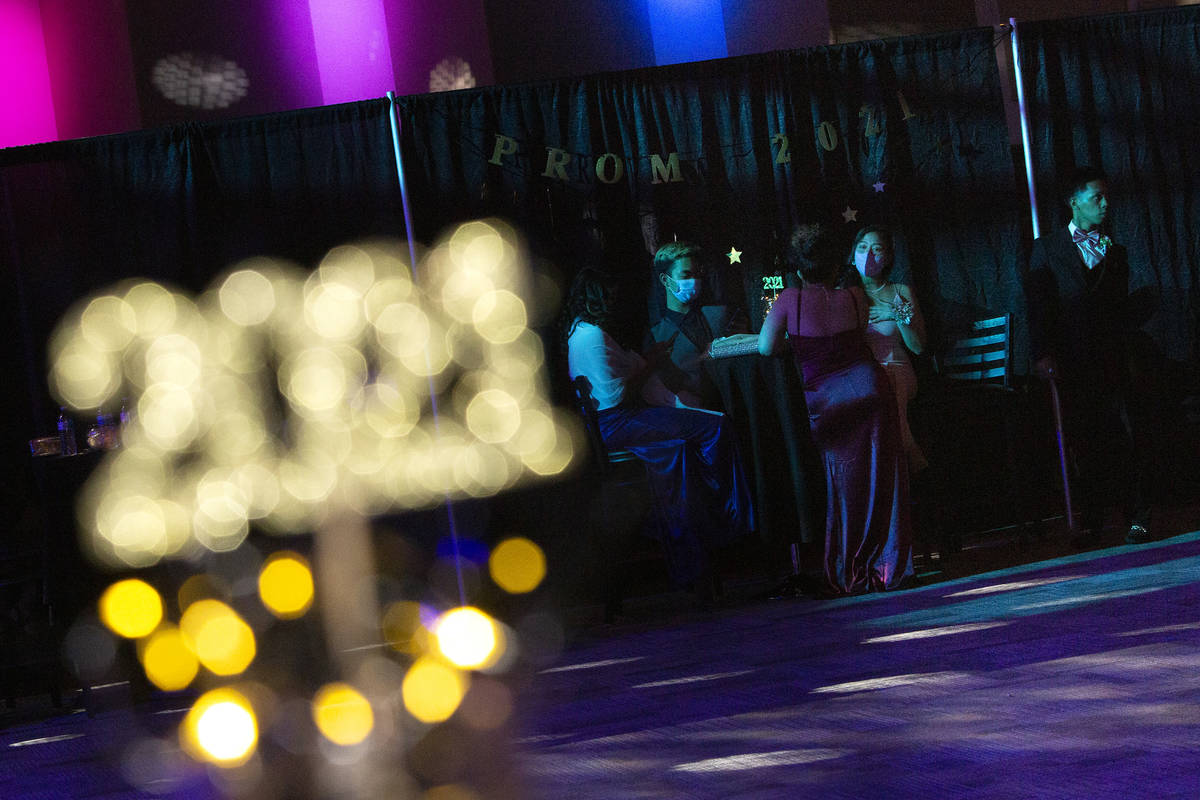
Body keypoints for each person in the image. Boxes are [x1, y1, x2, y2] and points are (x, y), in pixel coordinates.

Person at [564, 268, 754, 593]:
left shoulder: (583, 331)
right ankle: (725, 511)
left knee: (698, 428)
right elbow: (615, 396)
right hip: (618, 422)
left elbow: (622, 370)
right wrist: (650, 364)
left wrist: (648, 358)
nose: (613, 302)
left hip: (621, 420)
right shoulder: (591, 335)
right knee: (715, 424)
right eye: (607, 296)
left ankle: (710, 513)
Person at [758, 223, 913, 594]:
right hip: (871, 389)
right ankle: (887, 566)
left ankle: (851, 569)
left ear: (797, 269)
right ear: (834, 266)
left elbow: (766, 347)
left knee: (844, 485)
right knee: (882, 480)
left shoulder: (788, 300)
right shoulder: (856, 298)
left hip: (829, 401)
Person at [1025, 165, 1152, 546]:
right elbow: (1038, 305)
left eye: (1106, 197)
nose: (1104, 204)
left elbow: (1118, 309)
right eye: (1096, 197)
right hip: (1071, 358)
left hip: (1110, 356)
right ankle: (1092, 522)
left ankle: (1137, 517)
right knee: (1084, 440)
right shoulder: (1047, 248)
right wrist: (1043, 352)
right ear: (1074, 201)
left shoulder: (1116, 251)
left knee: (1124, 435)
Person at [846, 225, 928, 472]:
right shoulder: (846, 296)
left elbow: (918, 347)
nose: (869, 255)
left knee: (889, 379)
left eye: (877, 248)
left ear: (888, 256)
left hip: (899, 369)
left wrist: (897, 313)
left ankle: (907, 449)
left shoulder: (901, 292)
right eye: (863, 247)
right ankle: (902, 457)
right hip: (864, 376)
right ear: (853, 254)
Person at [646, 241, 746, 409]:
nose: (694, 281)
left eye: (696, 274)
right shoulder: (656, 335)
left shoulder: (721, 316)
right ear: (665, 280)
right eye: (685, 276)